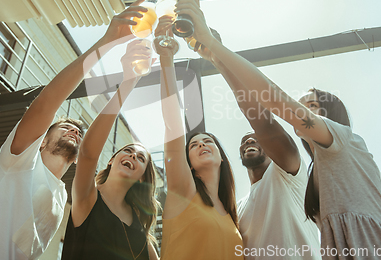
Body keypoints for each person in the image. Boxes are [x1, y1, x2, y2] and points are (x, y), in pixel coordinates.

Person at [174, 0, 381, 259]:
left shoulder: (343, 140)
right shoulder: (327, 187)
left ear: (332, 114)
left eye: (310, 105)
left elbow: (270, 107)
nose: (299, 111)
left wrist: (215, 49)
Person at [0, 0, 152, 260]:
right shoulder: (20, 159)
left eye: (78, 131)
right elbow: (46, 103)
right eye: (65, 126)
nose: (75, 131)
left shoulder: (62, 196)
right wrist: (107, 42)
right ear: (41, 141)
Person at [194, 29, 320, 260]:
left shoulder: (290, 175)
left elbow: (262, 120)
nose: (249, 140)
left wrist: (218, 59)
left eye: (255, 138)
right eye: (244, 141)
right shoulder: (238, 210)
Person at [61, 41, 159, 260]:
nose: (133, 155)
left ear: (143, 177)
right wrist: (128, 83)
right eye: (127, 151)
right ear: (111, 160)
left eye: (141, 158)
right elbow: (87, 154)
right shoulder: (88, 197)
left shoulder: (141, 231)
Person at [154, 17, 243, 260]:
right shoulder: (184, 191)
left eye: (208, 141)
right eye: (193, 145)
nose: (201, 143)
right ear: (188, 163)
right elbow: (173, 124)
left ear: (222, 158)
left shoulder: (232, 215)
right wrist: (166, 58)